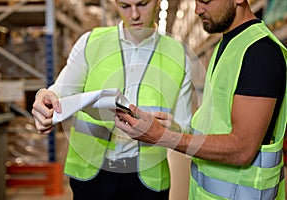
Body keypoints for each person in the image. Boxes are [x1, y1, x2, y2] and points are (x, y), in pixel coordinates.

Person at [114, 0, 287, 199]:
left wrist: (162, 136)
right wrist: (172, 128)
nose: (197, 9)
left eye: (205, 1)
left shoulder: (259, 53)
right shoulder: (229, 44)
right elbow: (217, 124)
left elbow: (242, 149)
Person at [31, 0, 193, 199]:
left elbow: (185, 129)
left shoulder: (178, 55)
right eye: (125, 6)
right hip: (91, 175)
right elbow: (60, 92)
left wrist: (167, 130)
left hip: (147, 179)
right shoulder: (91, 42)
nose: (134, 15)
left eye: (142, 4)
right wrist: (45, 97)